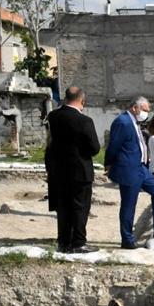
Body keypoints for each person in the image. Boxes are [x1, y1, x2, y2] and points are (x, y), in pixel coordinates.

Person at [104, 96, 154, 249]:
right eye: (145, 110)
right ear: (134, 108)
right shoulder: (122, 122)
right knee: (129, 205)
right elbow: (114, 145)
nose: (146, 113)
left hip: (141, 167)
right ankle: (127, 240)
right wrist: (109, 163)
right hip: (128, 169)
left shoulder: (135, 122)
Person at [45, 86, 101, 253]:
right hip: (79, 171)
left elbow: (50, 142)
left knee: (63, 207)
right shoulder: (84, 121)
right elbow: (94, 148)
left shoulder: (53, 116)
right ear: (81, 100)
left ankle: (63, 241)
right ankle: (78, 242)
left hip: (58, 170)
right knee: (80, 208)